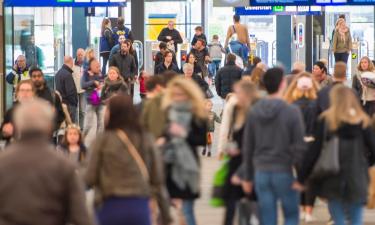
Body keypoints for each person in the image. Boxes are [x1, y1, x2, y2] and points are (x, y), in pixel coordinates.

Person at [0, 99, 93, 225]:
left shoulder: (4, 162)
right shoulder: (63, 165)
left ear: (19, 125)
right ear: (49, 126)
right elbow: (81, 217)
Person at [85, 94, 171, 225]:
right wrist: (165, 215)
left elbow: (89, 177)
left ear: (111, 113)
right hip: (139, 207)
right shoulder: (146, 138)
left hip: (109, 207)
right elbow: (158, 180)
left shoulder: (102, 141)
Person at [299, 85, 375, 225]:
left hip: (332, 174)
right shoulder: (363, 121)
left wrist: (302, 176)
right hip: (357, 173)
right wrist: (368, 163)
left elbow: (314, 151)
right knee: (356, 219)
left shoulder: (326, 120)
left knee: (338, 218)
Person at [241, 67, 306, 225]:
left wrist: (247, 177)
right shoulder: (292, 111)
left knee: (267, 217)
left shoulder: (254, 111)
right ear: (283, 84)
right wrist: (302, 177)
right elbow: (299, 147)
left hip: (261, 173)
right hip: (284, 171)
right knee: (291, 215)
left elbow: (248, 146)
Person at [161, 77, 207, 225]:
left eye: (181, 94)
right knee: (167, 212)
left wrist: (183, 133)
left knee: (187, 211)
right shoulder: (168, 111)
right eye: (174, 94)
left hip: (189, 167)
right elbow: (164, 134)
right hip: (169, 165)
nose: (178, 98)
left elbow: (201, 140)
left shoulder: (197, 113)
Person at [217, 80, 258, 225]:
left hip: (250, 162)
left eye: (238, 93)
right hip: (235, 159)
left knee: (250, 201)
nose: (236, 96)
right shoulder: (235, 109)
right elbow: (229, 131)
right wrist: (224, 148)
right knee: (230, 201)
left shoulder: (256, 112)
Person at [284, 72, 320, 223]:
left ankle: (299, 208)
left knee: (299, 177)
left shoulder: (291, 105)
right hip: (312, 144)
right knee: (310, 178)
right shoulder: (317, 104)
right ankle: (309, 210)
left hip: (295, 146)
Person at [30, 67, 66, 135]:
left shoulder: (53, 95)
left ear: (43, 77)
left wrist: (53, 127)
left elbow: (61, 116)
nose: (37, 78)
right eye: (34, 76)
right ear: (31, 78)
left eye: (39, 76)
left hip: (48, 135)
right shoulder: (27, 95)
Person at [0, 80, 35, 146]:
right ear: (17, 93)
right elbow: (2, 135)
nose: (25, 93)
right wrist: (5, 133)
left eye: (28, 90)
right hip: (12, 150)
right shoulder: (10, 112)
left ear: (33, 93)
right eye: (22, 90)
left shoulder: (40, 112)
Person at [81, 59, 104, 146]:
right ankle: (81, 139)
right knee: (88, 124)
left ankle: (98, 143)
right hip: (91, 101)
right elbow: (83, 85)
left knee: (101, 124)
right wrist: (93, 81)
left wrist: (101, 84)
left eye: (98, 65)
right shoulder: (86, 74)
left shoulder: (100, 73)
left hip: (100, 101)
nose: (98, 67)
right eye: (96, 66)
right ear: (91, 66)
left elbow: (101, 82)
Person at [55, 56, 78, 123]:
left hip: (62, 104)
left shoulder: (58, 73)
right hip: (69, 105)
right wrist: (74, 103)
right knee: (71, 125)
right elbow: (70, 92)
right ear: (71, 61)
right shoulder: (67, 74)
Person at [73, 48, 86, 128]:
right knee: (76, 110)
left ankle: (82, 127)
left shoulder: (87, 64)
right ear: (76, 55)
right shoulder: (72, 64)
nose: (80, 56)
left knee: (83, 111)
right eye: (79, 54)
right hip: (74, 90)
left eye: (81, 55)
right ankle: (76, 127)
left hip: (83, 91)